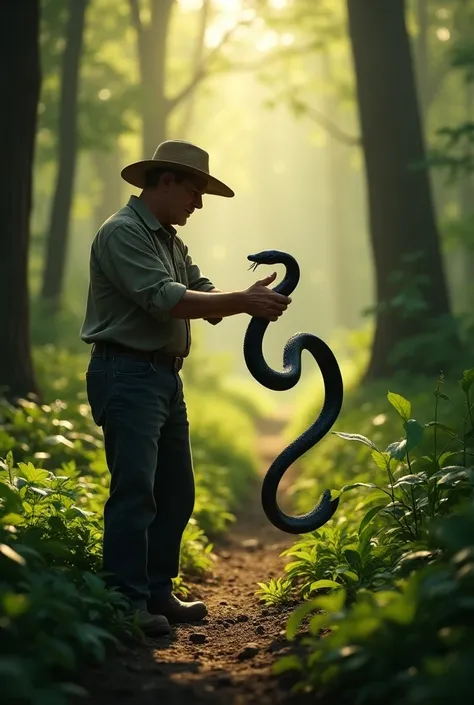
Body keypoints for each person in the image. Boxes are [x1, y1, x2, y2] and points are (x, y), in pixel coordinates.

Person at [80, 139, 291, 636]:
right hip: (127, 374)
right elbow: (164, 298)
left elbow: (199, 288)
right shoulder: (122, 233)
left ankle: (156, 591)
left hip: (162, 377)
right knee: (135, 491)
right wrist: (241, 301)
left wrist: (245, 298)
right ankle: (126, 601)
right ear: (167, 180)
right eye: (194, 191)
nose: (198, 204)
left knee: (175, 492)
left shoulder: (169, 240)